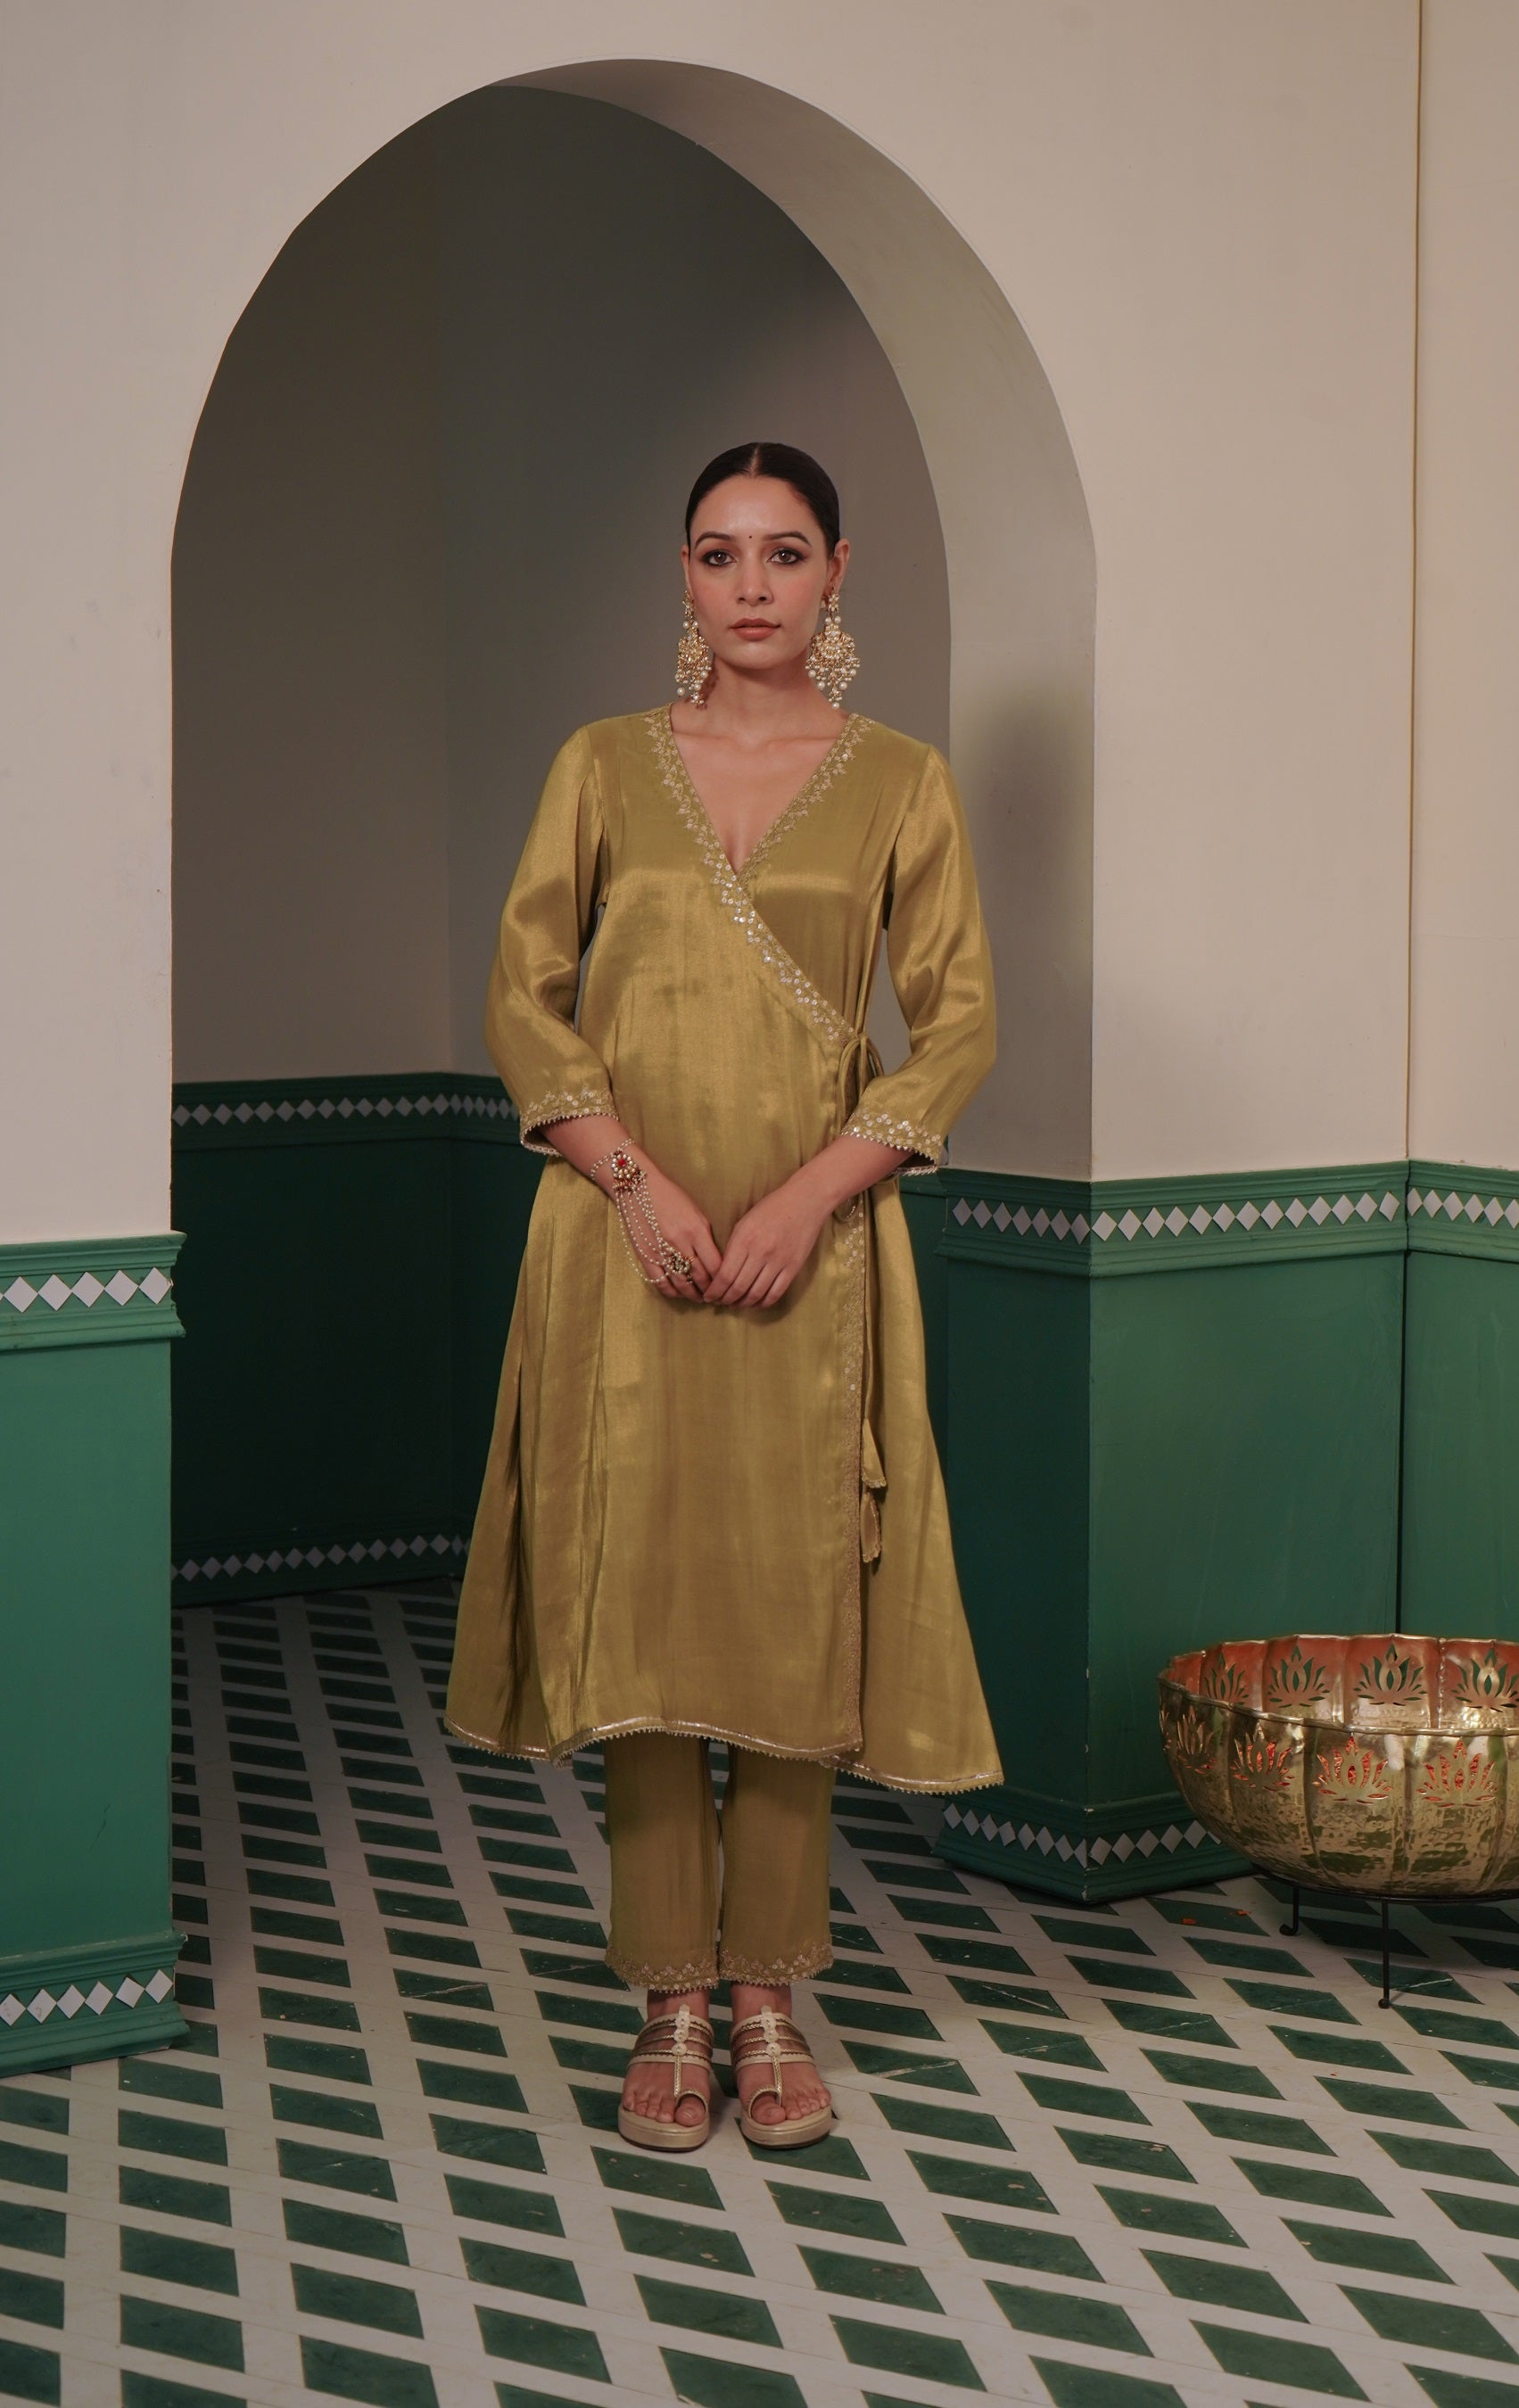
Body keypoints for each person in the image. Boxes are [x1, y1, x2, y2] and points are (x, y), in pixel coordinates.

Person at [445, 441, 1001, 2151]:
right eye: (716, 552)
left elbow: (958, 1023)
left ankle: (769, 1999)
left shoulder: (900, 782)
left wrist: (817, 1197)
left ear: (839, 571)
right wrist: (637, 1182)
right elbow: (523, 998)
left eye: (782, 552)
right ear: (682, 577)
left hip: (810, 1263)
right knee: (645, 1609)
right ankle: (669, 1999)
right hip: (623, 1248)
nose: (750, 584)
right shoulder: (604, 767)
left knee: (787, 1609)